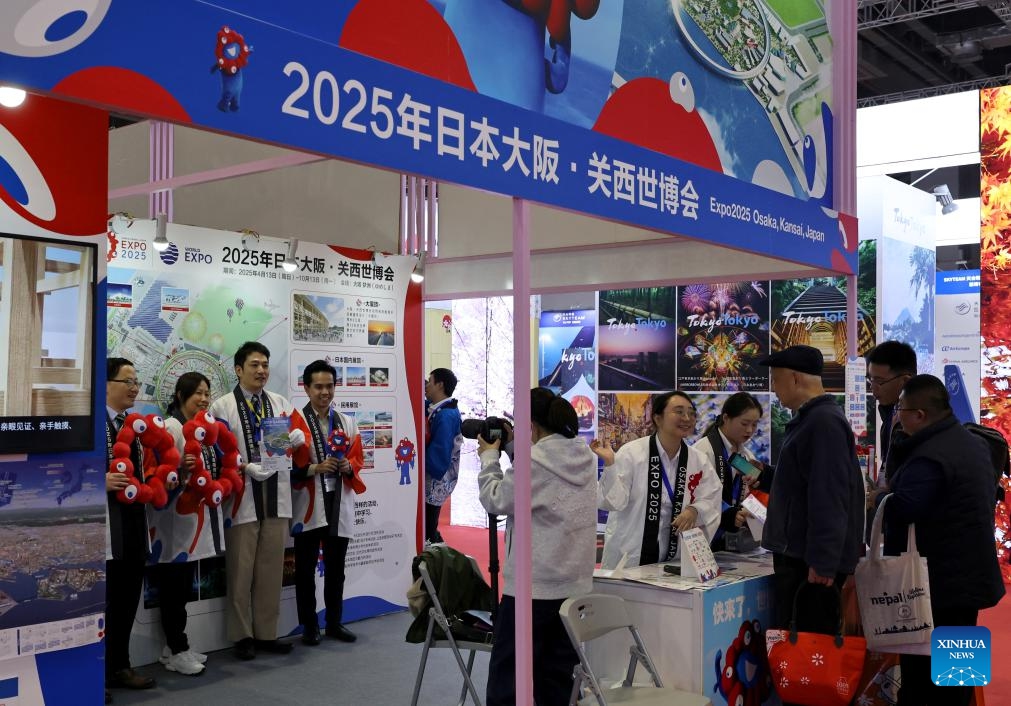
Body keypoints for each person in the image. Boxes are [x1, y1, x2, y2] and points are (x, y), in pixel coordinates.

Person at [881, 374, 1005, 706]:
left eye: (900, 411)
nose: (897, 417)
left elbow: (905, 506)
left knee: (926, 684)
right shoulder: (973, 444)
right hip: (969, 582)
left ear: (919, 415)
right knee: (959, 678)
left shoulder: (930, 456)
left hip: (935, 588)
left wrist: (881, 497)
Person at [477, 388, 597, 706]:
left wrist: (489, 458)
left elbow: (496, 499)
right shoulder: (583, 455)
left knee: (509, 678)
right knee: (558, 678)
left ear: (531, 424)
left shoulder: (535, 463)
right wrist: (517, 447)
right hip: (574, 586)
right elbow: (536, 485)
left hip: (533, 589)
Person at [208, 341, 309, 660]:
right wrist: (242, 465)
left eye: (265, 364)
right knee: (240, 568)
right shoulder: (222, 406)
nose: (262, 370)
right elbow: (216, 449)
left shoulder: (279, 403)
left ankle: (267, 632)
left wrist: (297, 439)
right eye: (254, 364)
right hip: (243, 496)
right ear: (238, 370)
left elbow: (296, 442)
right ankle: (242, 635)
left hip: (275, 495)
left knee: (270, 569)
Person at [758, 345, 864, 640]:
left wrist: (824, 561)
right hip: (803, 556)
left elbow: (829, 495)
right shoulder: (812, 419)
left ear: (794, 378)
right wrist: (767, 476)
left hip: (809, 564)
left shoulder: (823, 422)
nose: (774, 389)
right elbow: (803, 485)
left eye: (775, 380)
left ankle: (810, 689)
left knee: (809, 646)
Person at [592, 391, 722, 569]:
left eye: (691, 413)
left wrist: (695, 510)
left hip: (675, 561)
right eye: (679, 412)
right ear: (658, 418)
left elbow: (712, 497)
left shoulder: (698, 460)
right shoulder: (632, 453)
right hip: (630, 557)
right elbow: (614, 502)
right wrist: (610, 465)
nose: (687, 418)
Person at [148, 372, 224, 676]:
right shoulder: (170, 428)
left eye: (207, 394)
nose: (204, 400)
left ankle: (175, 646)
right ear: (180, 395)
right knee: (173, 588)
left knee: (179, 588)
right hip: (171, 523)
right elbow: (159, 474)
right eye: (198, 394)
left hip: (191, 522)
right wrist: (180, 469)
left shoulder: (201, 430)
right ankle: (177, 649)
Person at [291, 360, 364, 645]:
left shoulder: (347, 421)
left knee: (336, 567)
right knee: (305, 569)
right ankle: (310, 625)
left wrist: (348, 466)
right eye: (318, 386)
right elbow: (283, 465)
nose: (325, 392)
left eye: (329, 386)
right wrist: (314, 468)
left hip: (337, 502)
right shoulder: (293, 422)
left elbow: (357, 459)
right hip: (308, 503)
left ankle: (334, 622)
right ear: (306, 387)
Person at [104, 358, 156, 698]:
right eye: (128, 381)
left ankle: (120, 666)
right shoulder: (91, 424)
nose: (135, 387)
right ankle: (96, 671)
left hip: (135, 522)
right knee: (104, 603)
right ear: (106, 384)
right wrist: (99, 480)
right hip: (104, 526)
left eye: (137, 381)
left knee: (127, 599)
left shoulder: (135, 426)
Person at [692, 392, 772, 550]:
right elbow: (694, 497)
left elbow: (753, 496)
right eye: (744, 423)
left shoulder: (747, 456)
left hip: (734, 541)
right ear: (726, 418)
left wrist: (752, 512)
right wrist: (727, 513)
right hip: (704, 539)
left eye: (755, 424)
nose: (750, 430)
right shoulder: (703, 450)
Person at [865, 341, 917, 514]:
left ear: (905, 381)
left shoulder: (916, 424)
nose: (873, 389)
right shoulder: (889, 415)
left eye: (879, 382)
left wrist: (881, 497)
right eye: (870, 380)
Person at [423, 368, 462, 544]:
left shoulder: (446, 415)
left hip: (436, 479)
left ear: (439, 385)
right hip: (438, 477)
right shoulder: (445, 409)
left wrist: (417, 464)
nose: (426, 386)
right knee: (429, 525)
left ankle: (435, 564)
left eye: (429, 382)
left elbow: (439, 454)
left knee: (428, 529)